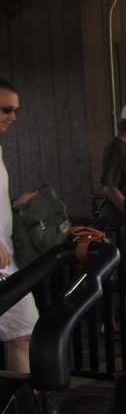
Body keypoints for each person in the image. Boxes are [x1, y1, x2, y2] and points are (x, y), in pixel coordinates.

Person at [0, 79, 39, 372]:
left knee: (23, 331)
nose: (13, 116)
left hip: (5, 258)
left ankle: (22, 399)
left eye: (14, 110)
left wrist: (14, 205)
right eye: (6, 109)